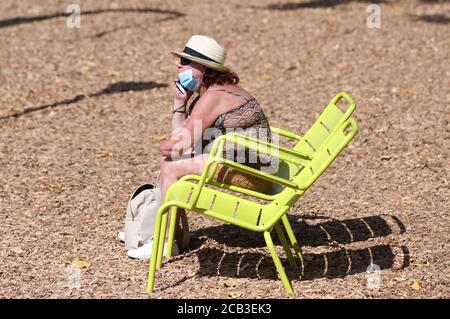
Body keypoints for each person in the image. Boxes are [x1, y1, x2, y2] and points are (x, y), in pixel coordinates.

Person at [126, 35, 278, 260]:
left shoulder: (214, 97)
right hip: (250, 165)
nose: (179, 65)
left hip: (253, 173)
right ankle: (166, 236)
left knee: (169, 167)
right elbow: (182, 142)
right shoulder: (212, 94)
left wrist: (163, 147)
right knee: (173, 163)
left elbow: (177, 145)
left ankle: (167, 242)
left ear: (204, 68)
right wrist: (179, 103)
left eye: (186, 61)